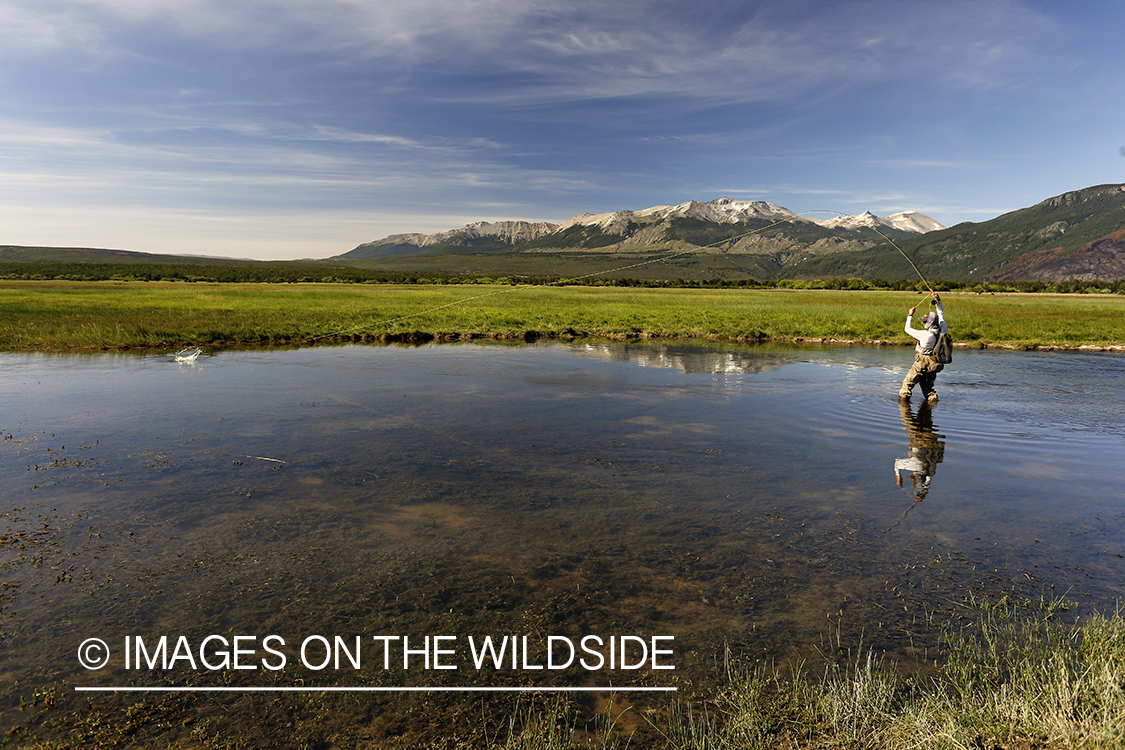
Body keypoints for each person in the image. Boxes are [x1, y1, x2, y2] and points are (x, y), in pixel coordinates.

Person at [898, 291, 947, 403]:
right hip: (934, 364)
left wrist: (910, 315)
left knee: (907, 385)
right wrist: (938, 301)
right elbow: (941, 314)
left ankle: (904, 410)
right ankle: (931, 407)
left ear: (929, 323)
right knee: (928, 389)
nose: (922, 324)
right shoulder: (943, 329)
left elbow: (907, 329)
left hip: (921, 364)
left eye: (924, 322)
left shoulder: (925, 335)